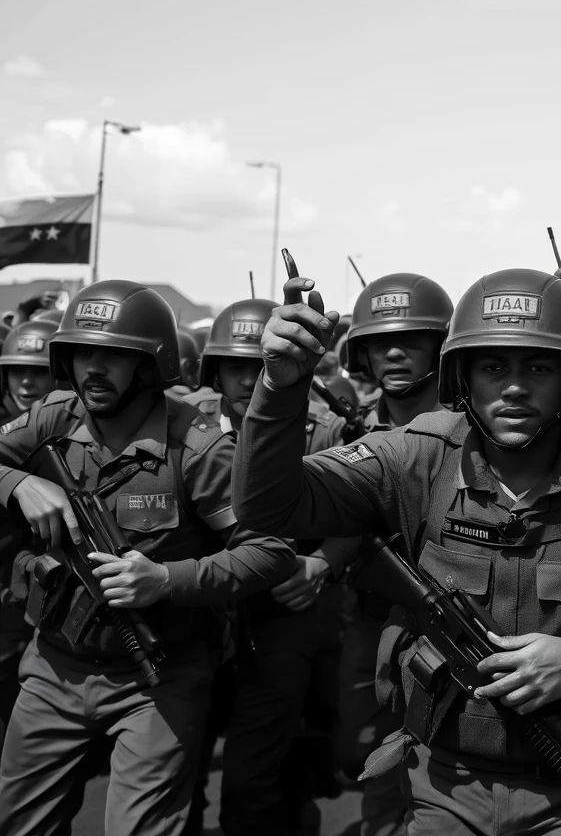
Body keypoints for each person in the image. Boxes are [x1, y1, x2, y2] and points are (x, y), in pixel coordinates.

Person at [232, 266, 561, 834]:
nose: (513, 386)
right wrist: (279, 386)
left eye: (538, 366)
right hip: (442, 784)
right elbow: (268, 506)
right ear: (462, 376)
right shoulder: (418, 456)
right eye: (492, 366)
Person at [0, 280, 294, 836]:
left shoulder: (199, 446)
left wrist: (165, 579)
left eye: (114, 355)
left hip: (157, 678)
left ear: (152, 363)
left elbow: (270, 552)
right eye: (84, 352)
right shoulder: (54, 416)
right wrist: (15, 482)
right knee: (18, 823)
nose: (94, 368)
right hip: (54, 665)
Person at [186, 297, 357, 836]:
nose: (247, 378)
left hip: (285, 614)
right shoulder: (186, 432)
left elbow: (368, 508)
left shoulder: (320, 431)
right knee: (179, 766)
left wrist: (323, 563)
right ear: (215, 370)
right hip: (200, 617)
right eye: (237, 365)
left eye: (257, 365)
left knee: (256, 777)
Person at [338, 271, 455, 836]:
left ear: (442, 346)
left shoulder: (473, 428)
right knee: (373, 772)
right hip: (369, 625)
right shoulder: (350, 431)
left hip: (455, 630)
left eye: (411, 340)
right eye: (378, 341)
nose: (393, 352)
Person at [0, 318, 60, 735]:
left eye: (38, 370)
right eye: (17, 370)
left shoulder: (79, 432)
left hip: (57, 600)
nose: (26, 382)